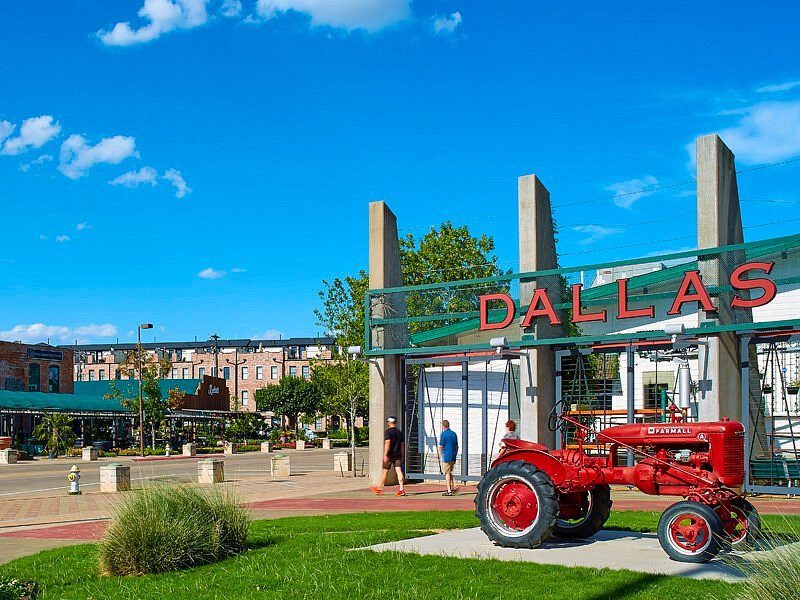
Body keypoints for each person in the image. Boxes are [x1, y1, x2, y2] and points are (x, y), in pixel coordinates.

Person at [371, 416, 406, 496]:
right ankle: (401, 489)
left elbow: (388, 443)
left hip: (390, 455)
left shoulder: (388, 432)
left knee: (385, 471)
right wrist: (402, 455)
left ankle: (379, 488)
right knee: (399, 471)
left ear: (389, 423)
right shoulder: (399, 432)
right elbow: (402, 445)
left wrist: (385, 454)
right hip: (398, 455)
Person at [438, 420, 459, 496]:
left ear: (443, 426)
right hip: (453, 455)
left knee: (447, 473)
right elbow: (457, 446)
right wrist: (455, 454)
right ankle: (454, 485)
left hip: (446, 455)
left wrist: (440, 454)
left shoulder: (443, 434)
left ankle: (449, 490)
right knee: (450, 471)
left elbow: (441, 446)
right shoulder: (454, 434)